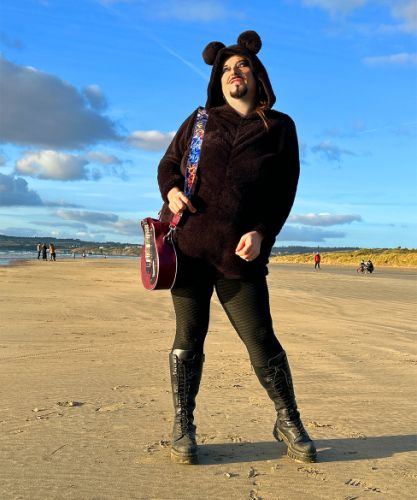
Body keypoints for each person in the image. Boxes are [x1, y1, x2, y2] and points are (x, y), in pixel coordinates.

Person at [157, 31, 316, 465]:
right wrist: (172, 190)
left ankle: (288, 420)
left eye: (241, 65)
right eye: (226, 69)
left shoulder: (279, 127)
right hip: (189, 251)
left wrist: (263, 232)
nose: (233, 73)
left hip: (240, 255)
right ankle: (183, 425)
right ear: (217, 80)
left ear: (257, 74)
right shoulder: (199, 121)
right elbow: (168, 164)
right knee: (188, 338)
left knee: (261, 340)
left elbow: (284, 191)